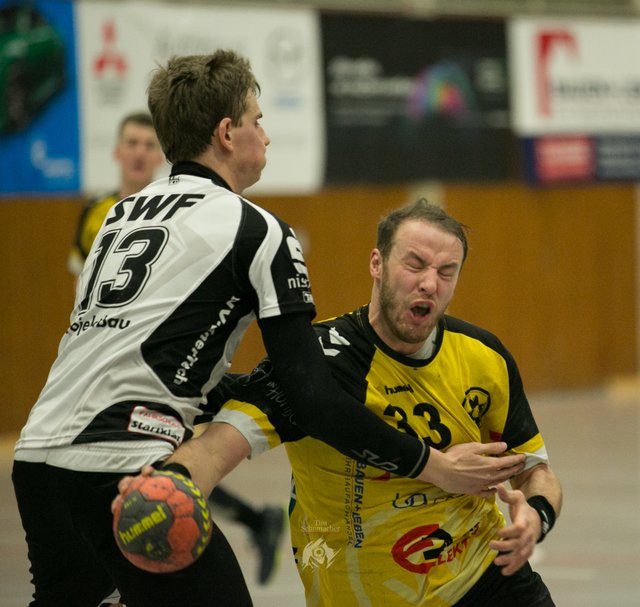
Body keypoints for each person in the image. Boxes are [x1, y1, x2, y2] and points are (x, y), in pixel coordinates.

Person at [12, 50, 525, 607]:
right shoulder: (258, 230)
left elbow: (141, 356)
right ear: (227, 134)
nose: (266, 135)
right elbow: (313, 397)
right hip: (122, 466)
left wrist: (245, 388)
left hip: (37, 455)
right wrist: (435, 466)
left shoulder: (120, 215)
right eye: (257, 120)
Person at [190, 199, 563, 606]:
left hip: (486, 577)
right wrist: (173, 486)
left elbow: (535, 471)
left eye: (446, 272)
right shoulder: (314, 362)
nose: (430, 283)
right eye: (415, 265)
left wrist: (535, 517)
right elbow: (215, 450)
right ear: (377, 264)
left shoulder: (483, 356)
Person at [68, 110, 286, 587]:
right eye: (132, 143)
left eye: (149, 144)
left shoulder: (192, 210)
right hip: (103, 363)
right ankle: (252, 519)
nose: (140, 152)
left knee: (169, 463)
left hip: (162, 371)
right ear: (117, 152)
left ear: (161, 154)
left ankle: (237, 523)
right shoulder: (100, 214)